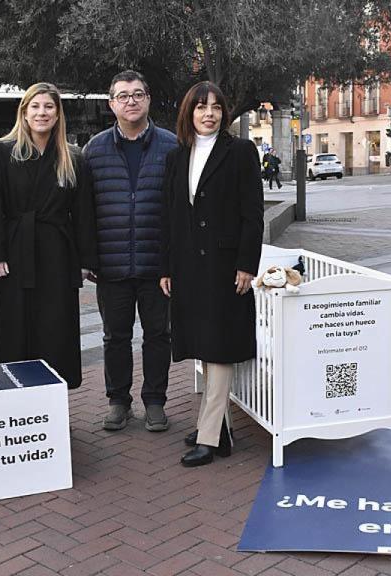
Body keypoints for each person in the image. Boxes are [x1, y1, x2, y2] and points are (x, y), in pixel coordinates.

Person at [160, 81, 263, 467]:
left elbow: (252, 213)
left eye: (216, 107)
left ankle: (209, 435)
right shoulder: (177, 156)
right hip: (188, 266)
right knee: (202, 345)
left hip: (224, 267)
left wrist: (246, 265)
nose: (209, 113)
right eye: (201, 107)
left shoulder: (240, 152)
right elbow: (170, 216)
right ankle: (218, 428)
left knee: (219, 348)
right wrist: (166, 267)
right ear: (189, 112)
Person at [0, 83, 96, 390]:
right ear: (24, 112)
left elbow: (83, 213)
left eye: (49, 107)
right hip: (17, 252)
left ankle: (52, 407)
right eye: (36, 106)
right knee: (16, 328)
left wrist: (85, 260)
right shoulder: (3, 151)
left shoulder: (73, 157)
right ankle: (17, 404)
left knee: (56, 329)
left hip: (58, 253)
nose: (42, 113)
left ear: (58, 114)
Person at [82, 70, 177, 432]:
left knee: (158, 337)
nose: (131, 101)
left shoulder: (171, 146)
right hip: (112, 266)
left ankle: (155, 401)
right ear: (111, 104)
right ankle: (118, 401)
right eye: (123, 96)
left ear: (148, 99)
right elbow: (86, 210)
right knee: (115, 338)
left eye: (137, 94)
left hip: (158, 265)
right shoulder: (95, 149)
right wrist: (89, 259)